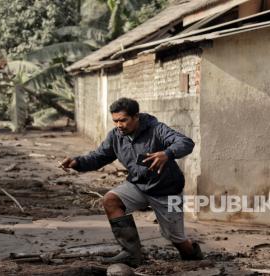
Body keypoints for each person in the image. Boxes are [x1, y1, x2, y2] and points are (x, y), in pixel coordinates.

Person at [60, 97, 203, 267]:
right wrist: (77, 162)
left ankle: (193, 255)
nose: (119, 125)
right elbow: (99, 157)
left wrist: (167, 153)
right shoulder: (116, 136)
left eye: (123, 120)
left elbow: (186, 142)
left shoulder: (156, 129)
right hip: (137, 185)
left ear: (136, 117)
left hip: (166, 190)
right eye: (115, 121)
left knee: (175, 238)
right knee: (110, 200)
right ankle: (131, 254)